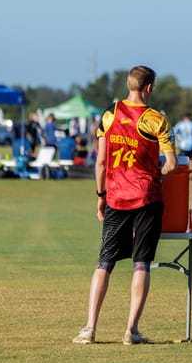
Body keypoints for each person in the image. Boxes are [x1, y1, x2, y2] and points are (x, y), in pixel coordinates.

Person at [73, 66, 177, 345]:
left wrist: (101, 196)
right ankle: (132, 330)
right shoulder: (157, 119)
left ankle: (89, 328)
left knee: (104, 262)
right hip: (147, 199)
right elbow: (172, 164)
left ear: (129, 85)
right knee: (141, 263)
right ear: (149, 87)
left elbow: (101, 162)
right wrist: (156, 175)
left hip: (116, 198)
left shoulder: (110, 114)